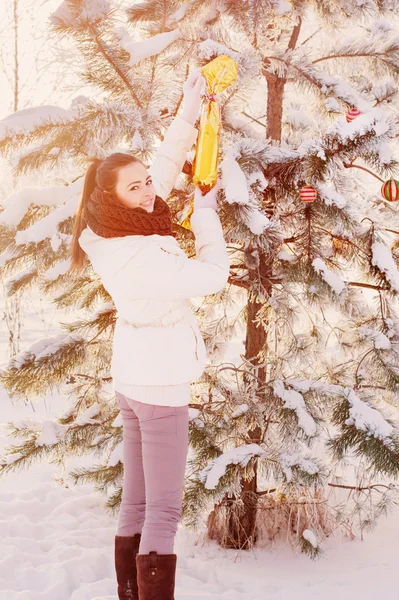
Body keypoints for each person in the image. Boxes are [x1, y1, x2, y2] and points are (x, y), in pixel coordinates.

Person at [70, 70, 230, 600]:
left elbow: (161, 166)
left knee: (137, 504)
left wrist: (188, 109)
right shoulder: (137, 253)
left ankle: (129, 594)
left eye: (145, 182)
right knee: (163, 510)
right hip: (159, 384)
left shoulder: (110, 224)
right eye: (134, 186)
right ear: (112, 195)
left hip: (135, 378)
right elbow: (212, 277)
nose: (147, 192)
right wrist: (205, 213)